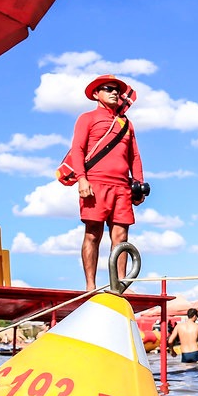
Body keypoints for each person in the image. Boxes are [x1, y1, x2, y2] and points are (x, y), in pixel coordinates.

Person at [68, 74, 146, 291]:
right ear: (96, 94)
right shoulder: (87, 118)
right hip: (95, 184)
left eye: (117, 90)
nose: (114, 93)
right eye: (108, 89)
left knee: (121, 235)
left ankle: (119, 285)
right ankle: (90, 285)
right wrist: (82, 179)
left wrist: (139, 185)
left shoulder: (127, 124)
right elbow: (78, 149)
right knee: (93, 233)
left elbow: (135, 157)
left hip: (122, 186)